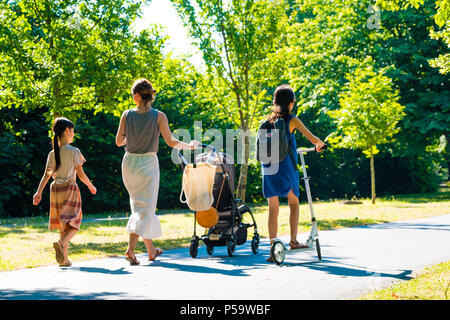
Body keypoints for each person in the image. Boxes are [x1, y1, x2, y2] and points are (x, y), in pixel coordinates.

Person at [116, 78, 201, 265]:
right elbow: (171, 142)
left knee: (139, 207)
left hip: (128, 163)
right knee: (144, 208)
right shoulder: (158, 116)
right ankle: (130, 251)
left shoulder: (126, 115)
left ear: (137, 96)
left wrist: (132, 135)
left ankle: (151, 250)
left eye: (132, 95)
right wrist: (190, 146)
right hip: (147, 164)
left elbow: (119, 142)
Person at [261, 84, 325, 262]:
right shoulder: (292, 120)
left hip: (267, 168)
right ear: (291, 102)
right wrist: (319, 144)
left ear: (275, 102)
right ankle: (293, 241)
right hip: (285, 167)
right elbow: (313, 139)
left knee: (273, 209)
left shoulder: (267, 122)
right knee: (294, 202)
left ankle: (273, 249)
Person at [33, 117, 97, 267]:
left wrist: (38, 192)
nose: (73, 134)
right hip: (69, 189)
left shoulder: (51, 154)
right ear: (67, 130)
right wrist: (90, 186)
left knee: (64, 225)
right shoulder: (74, 151)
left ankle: (64, 260)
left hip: (55, 191)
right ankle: (61, 243)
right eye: (73, 131)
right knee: (74, 223)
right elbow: (81, 175)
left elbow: (46, 175)